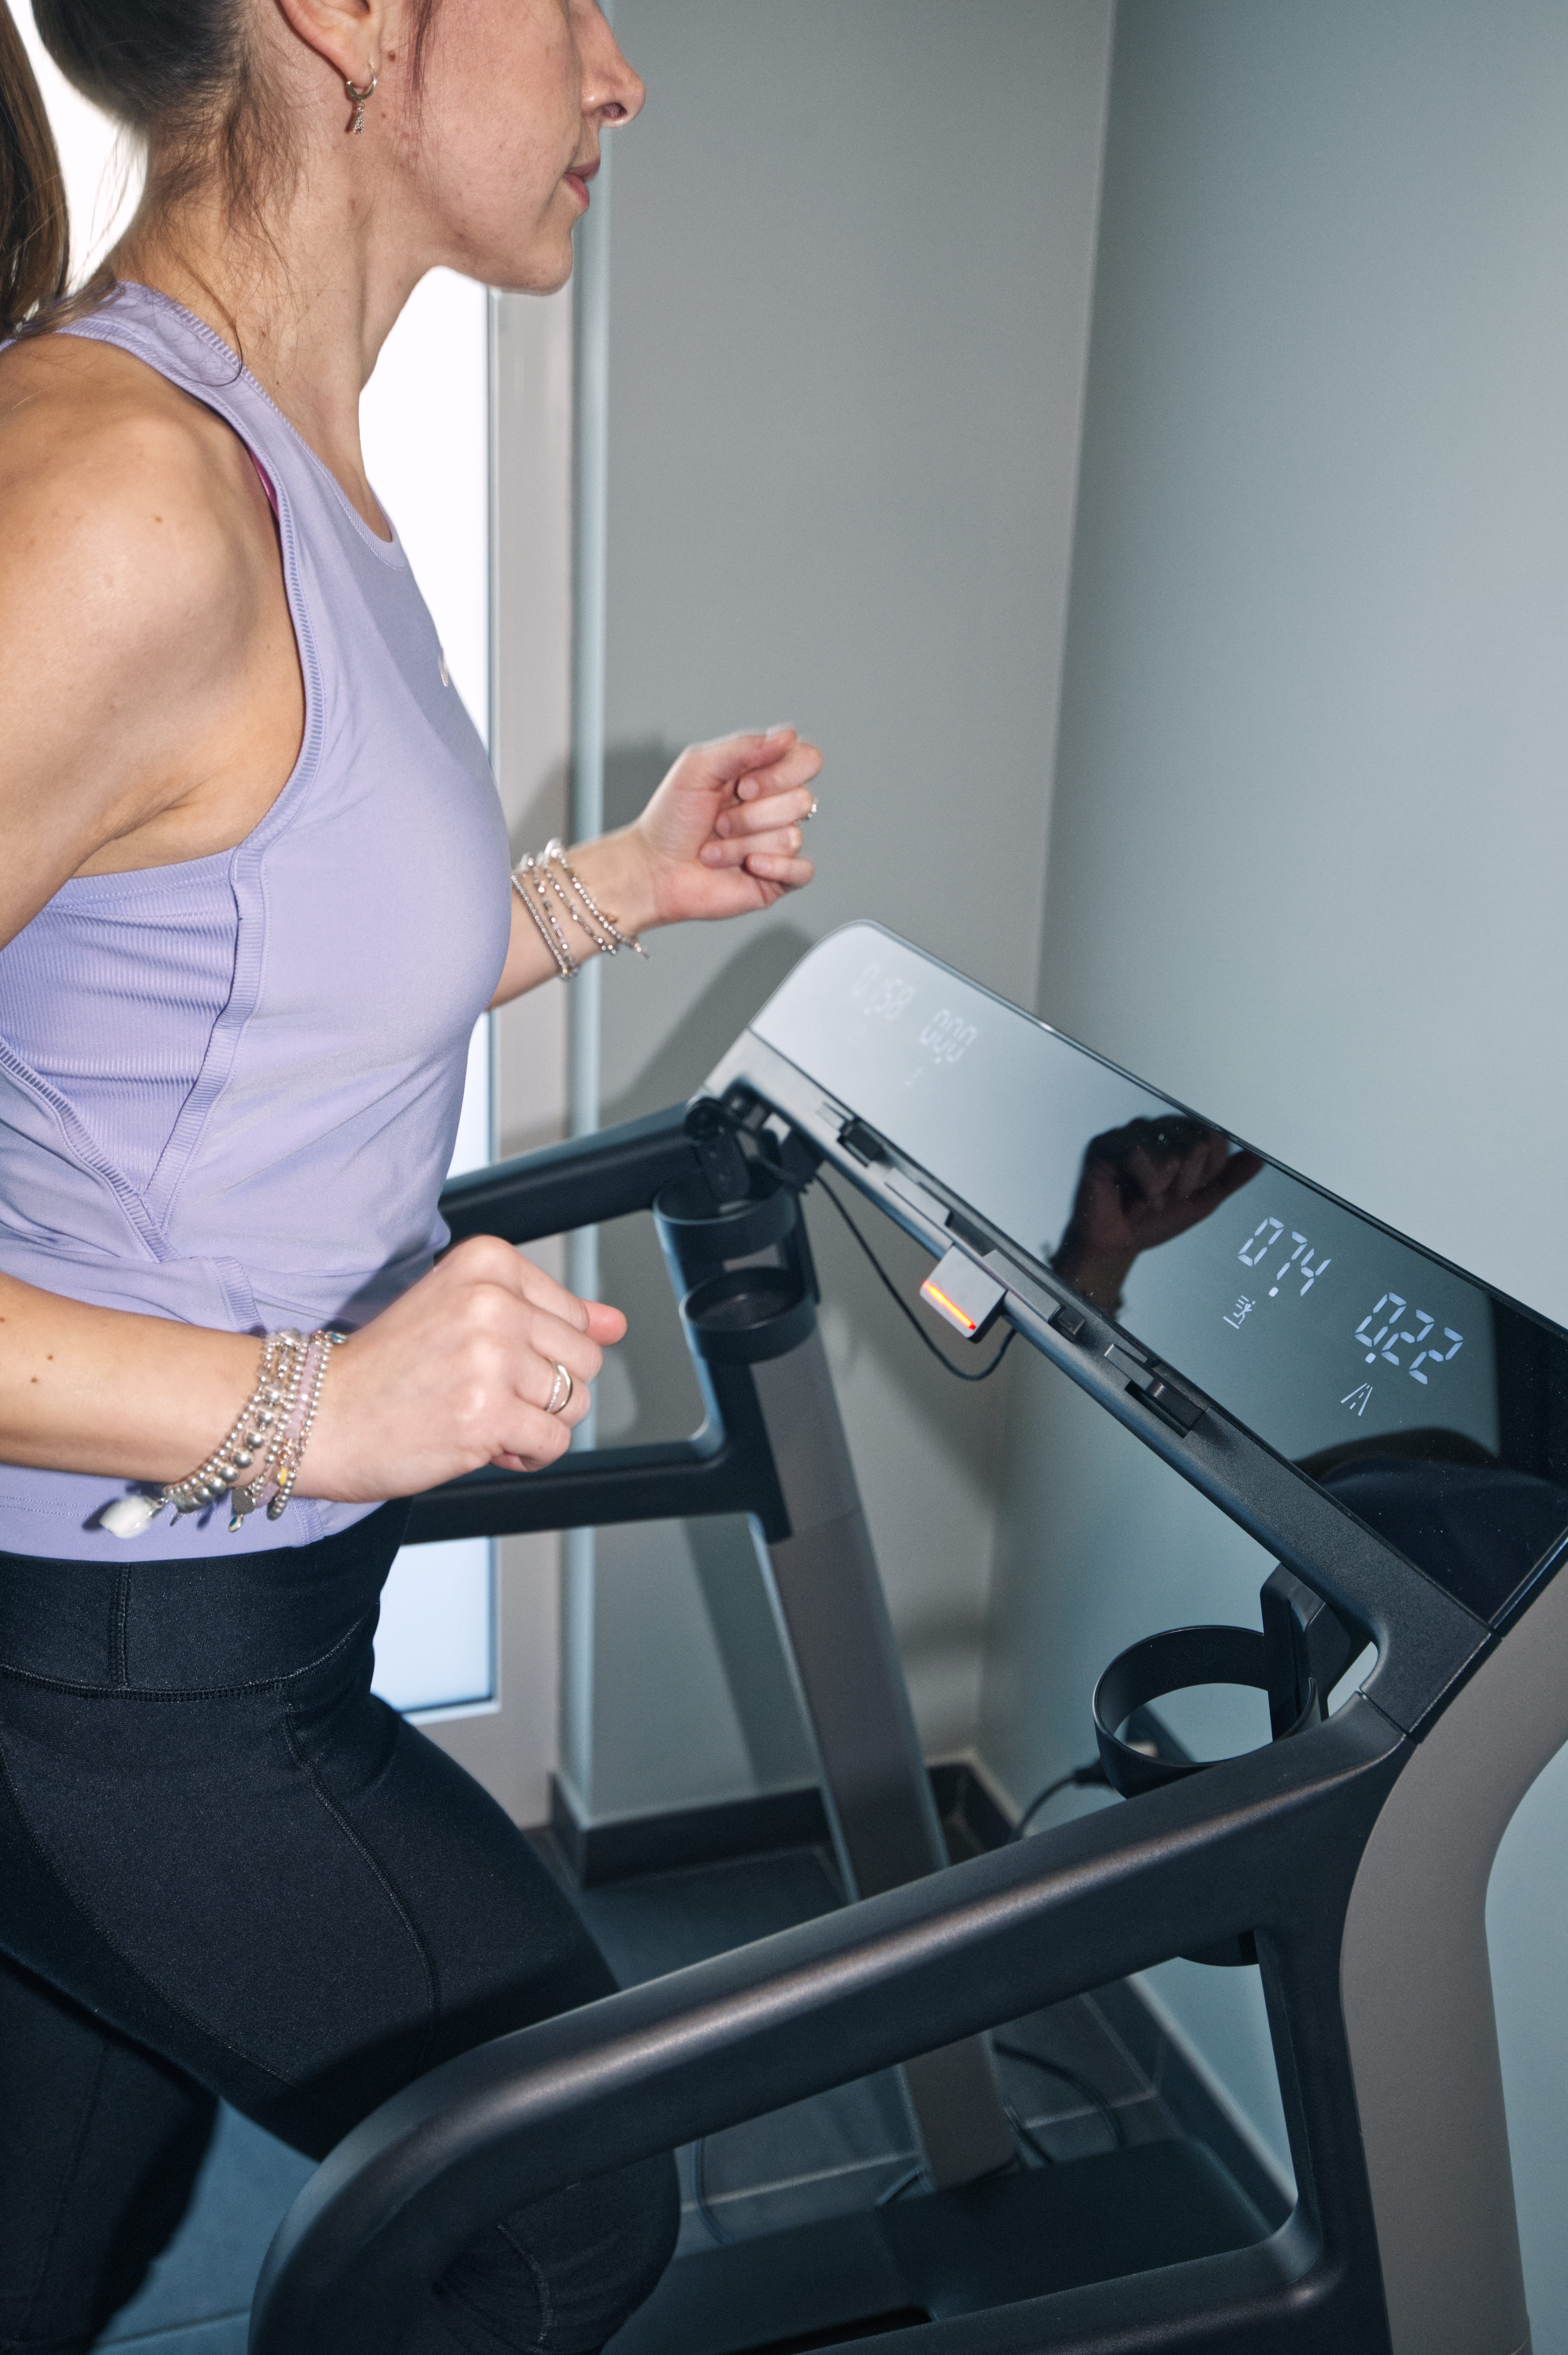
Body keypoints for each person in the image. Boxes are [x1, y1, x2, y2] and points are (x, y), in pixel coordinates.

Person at [0, 0, 822, 2343]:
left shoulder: (289, 472)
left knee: (57, 2240)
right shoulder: (110, 494)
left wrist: (604, 891)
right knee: (552, 2197)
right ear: (352, 14)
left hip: (198, 1622)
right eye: (568, 1)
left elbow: (241, 971)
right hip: (126, 1661)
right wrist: (317, 1406)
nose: (619, 74)